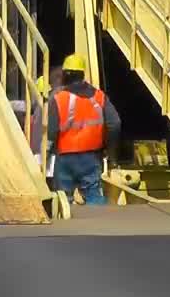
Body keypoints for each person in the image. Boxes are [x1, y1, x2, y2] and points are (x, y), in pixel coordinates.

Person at [47, 54, 120, 206]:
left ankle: (65, 228)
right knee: (94, 196)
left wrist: (49, 152)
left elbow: (52, 131)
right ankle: (101, 227)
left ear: (65, 75)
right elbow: (115, 124)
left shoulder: (58, 98)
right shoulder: (99, 96)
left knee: (63, 200)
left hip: (65, 156)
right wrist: (110, 152)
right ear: (82, 74)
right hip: (91, 156)